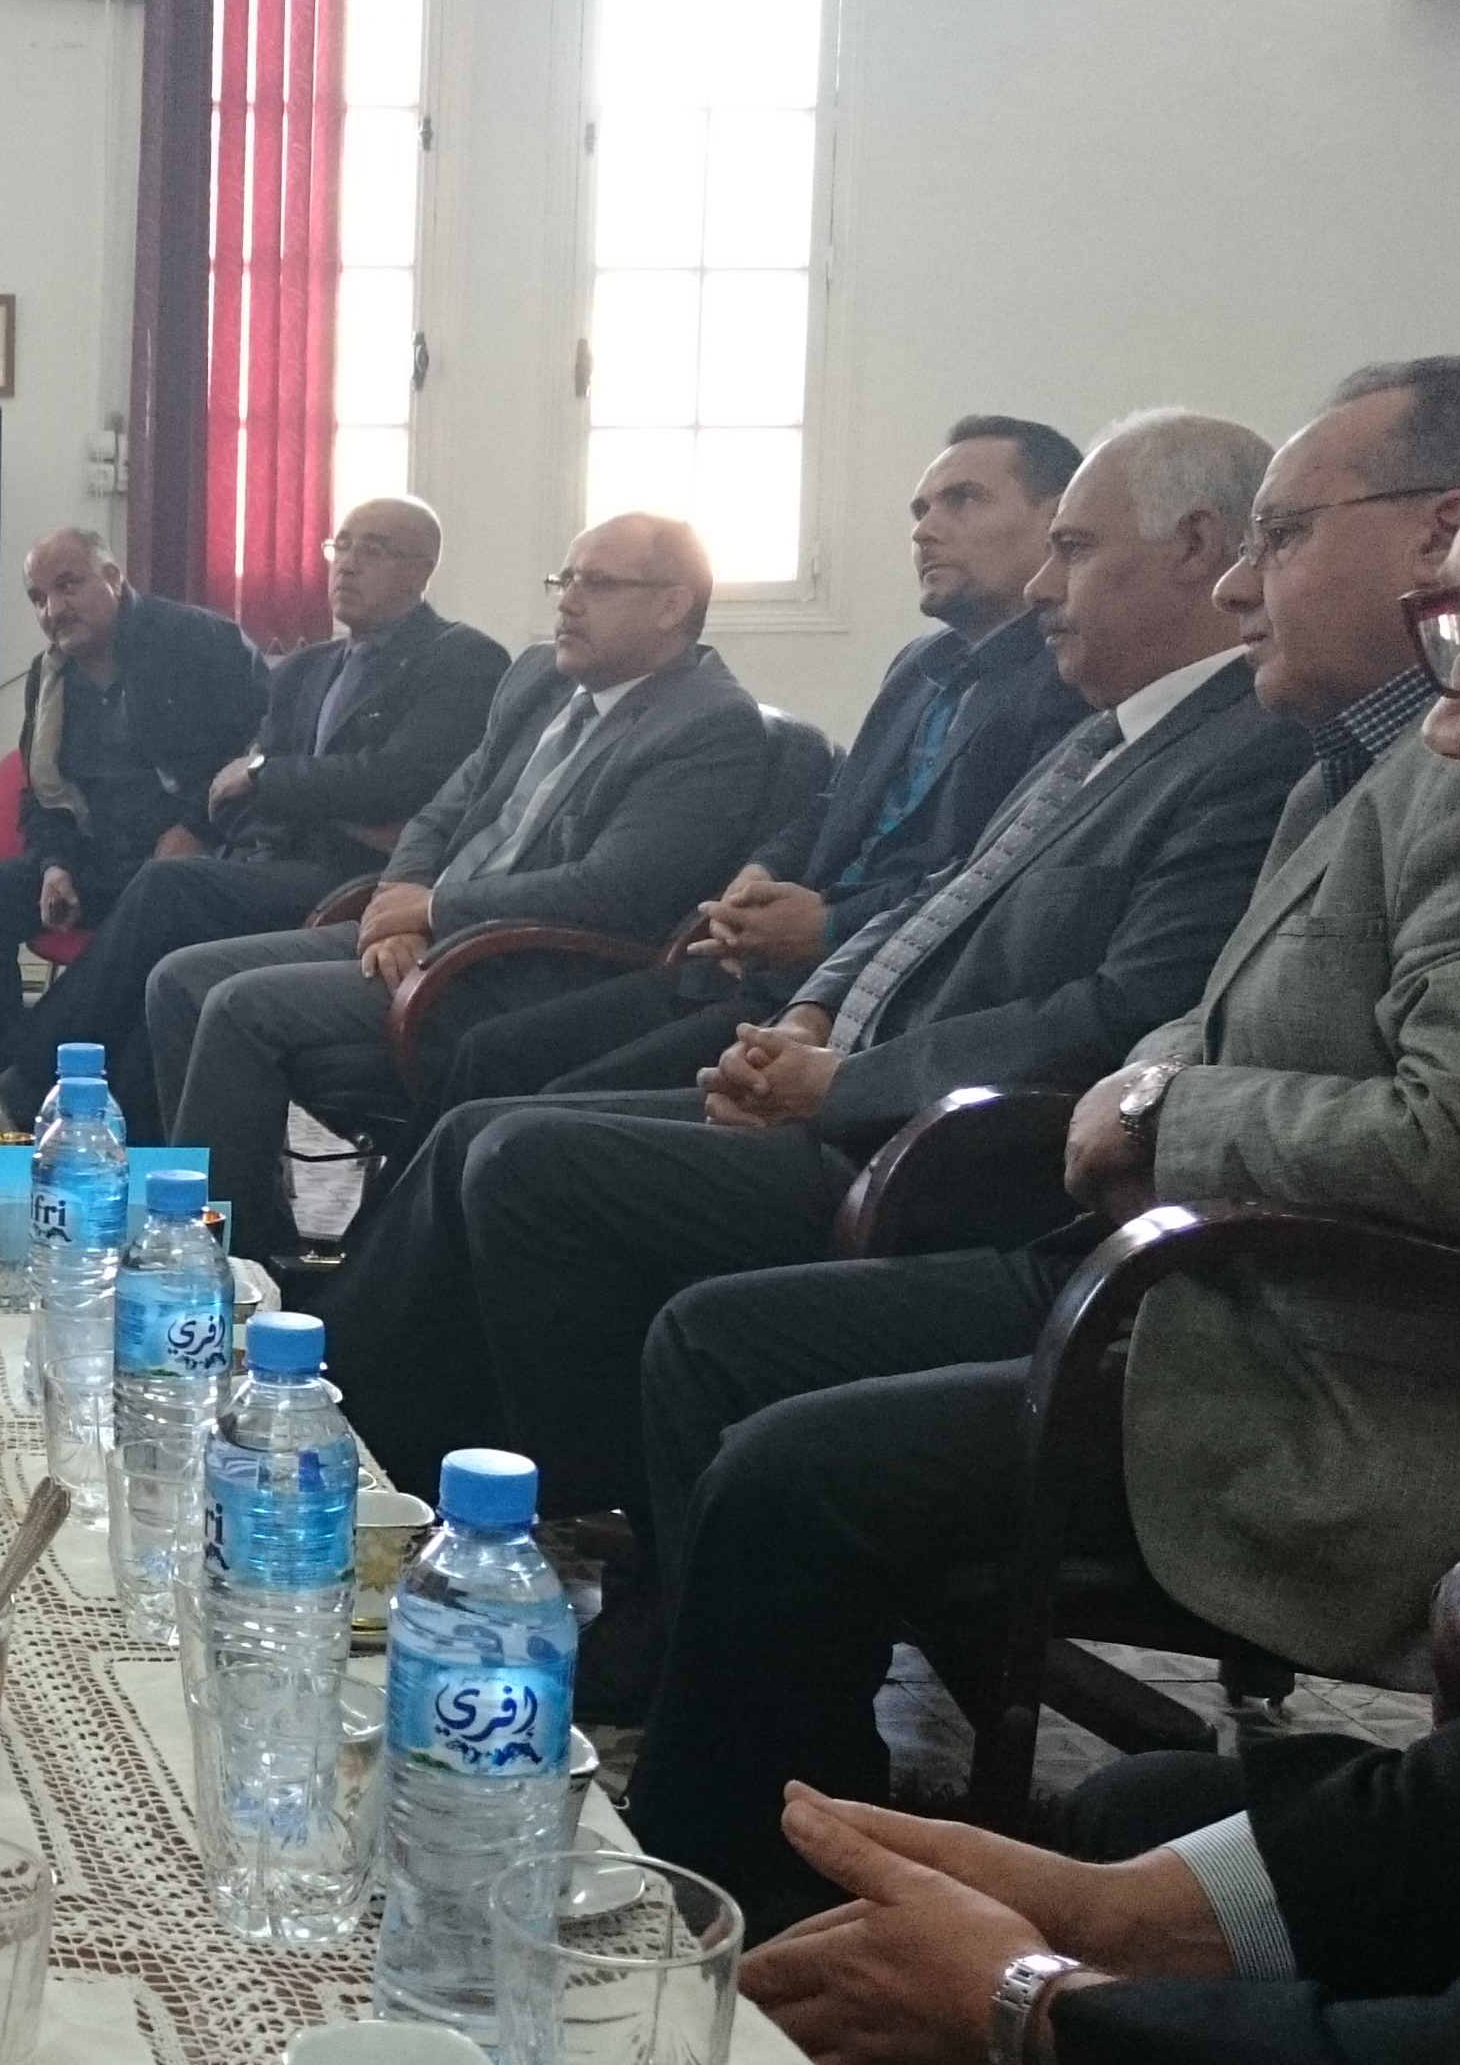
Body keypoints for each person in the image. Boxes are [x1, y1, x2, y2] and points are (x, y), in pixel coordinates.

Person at [739, 200, 1460, 2065]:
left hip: (1347, 1365)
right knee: (1125, 1825)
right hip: (1220, 1299)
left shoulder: (1362, 783)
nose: (1451, 726)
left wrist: (1036, 2010)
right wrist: (1130, 1925)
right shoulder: (1337, 772)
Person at [307, 410, 1310, 1524]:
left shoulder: (1237, 751)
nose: (1040, 586)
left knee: (520, 1154)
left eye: (1067, 547)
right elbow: (933, 886)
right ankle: (360, 1443)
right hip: (835, 1050)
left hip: (946, 1145)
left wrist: (838, 1061)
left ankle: (517, 1506)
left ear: (1192, 546)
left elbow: (1116, 1014)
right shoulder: (1100, 731)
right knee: (486, 1131)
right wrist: (818, 1011)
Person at [144, 513, 776, 1259]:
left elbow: (613, 891)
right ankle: (248, 1237)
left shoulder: (708, 723)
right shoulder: (540, 676)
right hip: (430, 931)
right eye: (565, 579)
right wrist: (402, 900)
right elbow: (443, 808)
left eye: (597, 584)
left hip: (517, 966)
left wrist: (435, 908)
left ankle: (219, 1263)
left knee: (240, 1007)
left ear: (672, 604)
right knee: (179, 979)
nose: (568, 601)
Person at [424, 419, 1093, 1113]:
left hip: (870, 993)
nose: (925, 531)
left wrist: (828, 924)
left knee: (532, 1119)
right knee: (494, 1055)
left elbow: (981, 875)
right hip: (761, 964)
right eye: (920, 510)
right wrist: (762, 869)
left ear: (1057, 521)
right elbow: (837, 802)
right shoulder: (919, 664)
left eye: (964, 500)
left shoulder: (1067, 684)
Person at [0, 495, 509, 1133]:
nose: (346, 565)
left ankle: (29, 1075)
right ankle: (140, 1149)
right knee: (162, 953)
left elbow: (398, 782)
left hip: (362, 881)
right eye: (340, 546)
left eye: (372, 550)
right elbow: (232, 796)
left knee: (168, 888)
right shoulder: (307, 667)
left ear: (420, 568)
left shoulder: (461, 659)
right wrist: (293, 795)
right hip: (269, 861)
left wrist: (272, 781)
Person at [0, 527, 263, 1059]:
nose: (53, 610)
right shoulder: (49, 676)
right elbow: (42, 796)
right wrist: (55, 865)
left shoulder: (198, 640)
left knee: (150, 901)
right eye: (38, 598)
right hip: (98, 860)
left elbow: (262, 752)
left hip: (192, 864)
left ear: (112, 577)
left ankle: (30, 1071)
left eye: (68, 586)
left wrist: (197, 827)